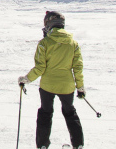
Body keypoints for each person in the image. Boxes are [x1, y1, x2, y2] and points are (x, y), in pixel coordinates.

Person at [18, 11, 85, 149]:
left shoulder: (44, 43)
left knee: (45, 112)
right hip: (67, 86)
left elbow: (40, 68)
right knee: (70, 112)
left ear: (49, 25)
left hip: (48, 86)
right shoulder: (73, 44)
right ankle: (78, 145)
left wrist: (26, 79)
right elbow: (77, 67)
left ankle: (42, 145)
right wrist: (80, 87)